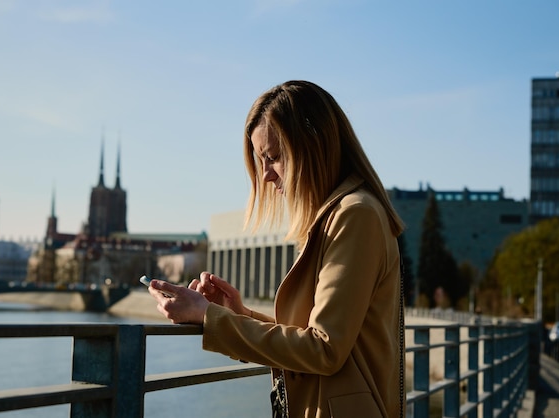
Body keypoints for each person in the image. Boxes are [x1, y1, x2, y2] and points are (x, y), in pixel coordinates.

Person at [148, 80, 406, 418]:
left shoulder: (354, 215)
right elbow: (316, 336)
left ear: (314, 146)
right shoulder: (339, 215)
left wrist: (207, 316)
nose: (267, 175)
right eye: (261, 161)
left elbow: (324, 349)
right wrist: (237, 313)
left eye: (274, 157)